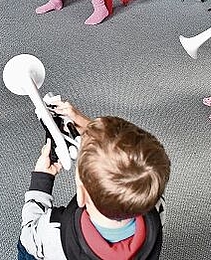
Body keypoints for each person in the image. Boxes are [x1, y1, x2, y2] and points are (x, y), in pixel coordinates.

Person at [18, 99, 170, 260]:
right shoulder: (155, 204)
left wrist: (41, 181)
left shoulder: (55, 231)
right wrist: (90, 128)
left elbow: (29, 236)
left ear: (81, 196)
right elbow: (129, 165)